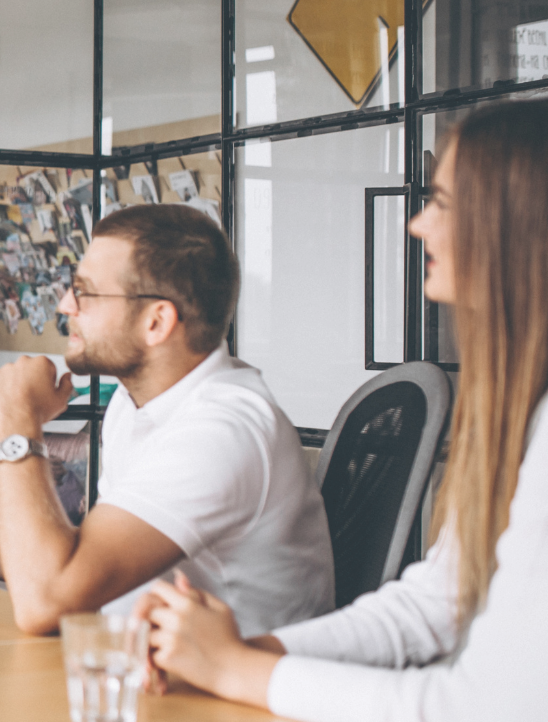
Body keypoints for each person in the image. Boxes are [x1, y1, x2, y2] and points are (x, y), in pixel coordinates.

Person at [136, 100, 546, 722]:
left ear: (517, 225)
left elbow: (483, 707)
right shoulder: (517, 411)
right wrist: (236, 653)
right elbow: (433, 605)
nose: (417, 225)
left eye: (443, 203)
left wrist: (238, 668)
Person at [0, 204, 334, 636]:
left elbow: (45, 601)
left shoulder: (221, 431)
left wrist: (17, 422)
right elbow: (79, 560)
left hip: (223, 699)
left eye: (85, 293)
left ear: (156, 321)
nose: (66, 306)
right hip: (139, 672)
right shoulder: (136, 405)